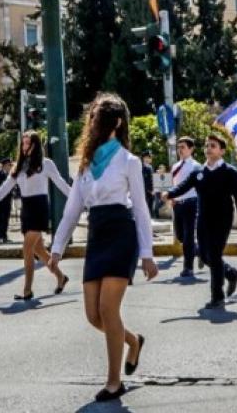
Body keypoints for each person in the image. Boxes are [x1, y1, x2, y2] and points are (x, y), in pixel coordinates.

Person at [50, 93, 158, 402]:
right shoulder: (86, 164)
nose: (94, 122)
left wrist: (147, 254)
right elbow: (72, 209)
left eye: (99, 117)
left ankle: (114, 382)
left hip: (122, 234)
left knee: (109, 310)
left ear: (116, 122)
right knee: (93, 315)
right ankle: (133, 341)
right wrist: (57, 248)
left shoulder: (129, 161)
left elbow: (141, 209)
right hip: (97, 235)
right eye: (93, 117)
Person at [163, 134, 237, 309]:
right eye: (207, 146)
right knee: (204, 255)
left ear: (222, 151)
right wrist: (170, 193)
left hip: (223, 219)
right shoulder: (198, 173)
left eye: (213, 146)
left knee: (215, 254)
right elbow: (183, 186)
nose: (208, 149)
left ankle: (217, 296)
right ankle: (231, 273)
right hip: (203, 219)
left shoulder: (230, 172)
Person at [0, 132, 71, 299]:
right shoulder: (19, 167)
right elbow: (5, 188)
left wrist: (77, 199)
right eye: (23, 143)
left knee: (27, 248)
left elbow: (60, 182)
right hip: (26, 209)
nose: (24, 147)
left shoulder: (46, 164)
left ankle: (27, 290)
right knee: (39, 250)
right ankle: (61, 277)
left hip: (40, 208)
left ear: (35, 145)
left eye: (28, 143)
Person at [169, 137, 200, 277]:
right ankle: (198, 250)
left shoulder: (196, 166)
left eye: (183, 147)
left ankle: (188, 267)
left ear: (191, 149)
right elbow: (175, 184)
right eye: (178, 147)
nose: (180, 150)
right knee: (180, 236)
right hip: (178, 204)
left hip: (191, 203)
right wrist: (172, 197)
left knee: (188, 236)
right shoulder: (175, 166)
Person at [140, 150, 155, 218]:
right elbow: (146, 181)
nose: (151, 159)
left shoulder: (150, 167)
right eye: (149, 157)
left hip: (149, 192)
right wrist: (150, 190)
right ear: (144, 158)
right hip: (146, 192)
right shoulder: (142, 167)